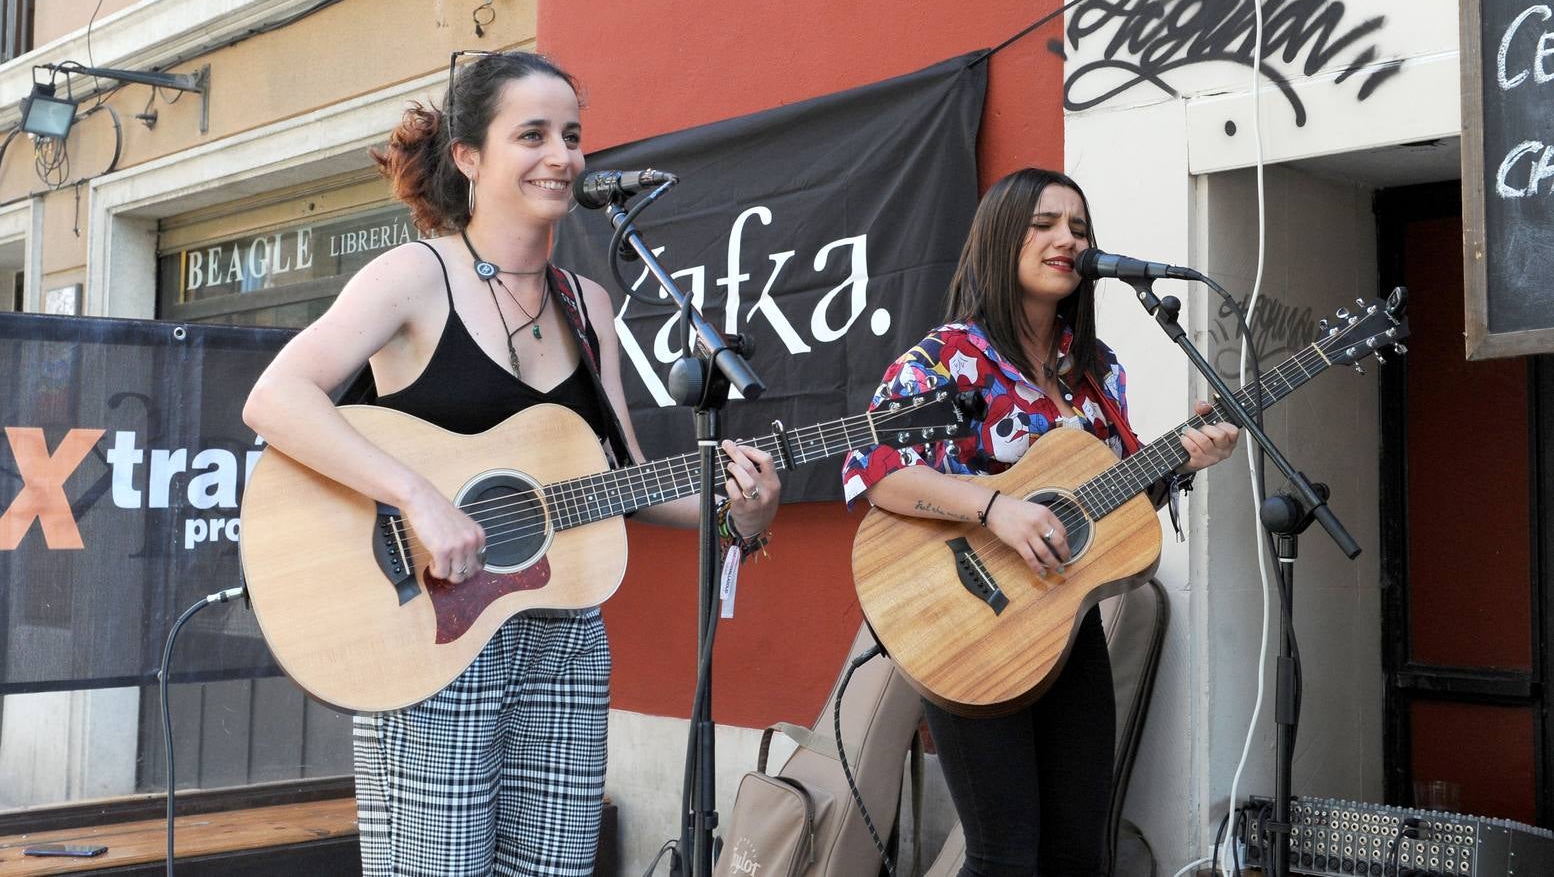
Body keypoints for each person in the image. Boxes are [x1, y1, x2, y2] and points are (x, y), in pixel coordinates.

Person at [243, 50, 781, 876]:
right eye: (531, 134)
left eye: (571, 134)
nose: (562, 156)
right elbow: (276, 398)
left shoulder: (587, 303)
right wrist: (418, 497)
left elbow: (624, 480)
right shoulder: (414, 277)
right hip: (429, 630)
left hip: (564, 637)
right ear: (469, 157)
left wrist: (735, 511)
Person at [839, 168, 1238, 875]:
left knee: (1081, 852)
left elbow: (1108, 502)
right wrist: (995, 507)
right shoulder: (948, 357)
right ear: (1000, 240)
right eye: (1046, 224)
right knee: (1004, 857)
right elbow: (874, 469)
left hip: (1061, 622)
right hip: (962, 620)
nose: (1067, 240)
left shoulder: (1095, 372)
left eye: (1079, 230)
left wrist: (1182, 460)